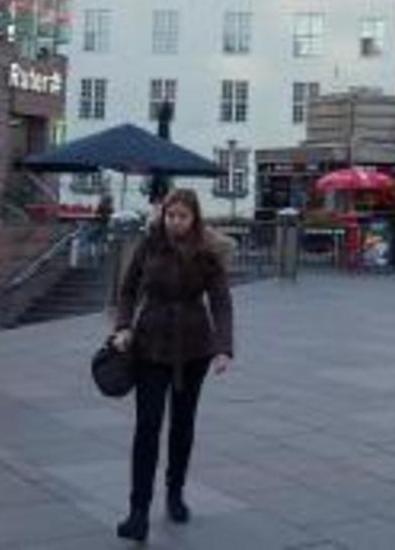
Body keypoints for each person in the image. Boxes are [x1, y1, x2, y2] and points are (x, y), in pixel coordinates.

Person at [112, 188, 233, 542]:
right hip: (150, 344)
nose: (175, 222)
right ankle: (138, 511)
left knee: (182, 424)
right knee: (147, 427)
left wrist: (223, 347)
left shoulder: (207, 251)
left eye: (182, 216)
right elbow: (127, 289)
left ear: (194, 218)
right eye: (170, 215)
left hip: (193, 348)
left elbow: (221, 301)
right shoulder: (149, 244)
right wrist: (123, 326)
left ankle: (175, 492)